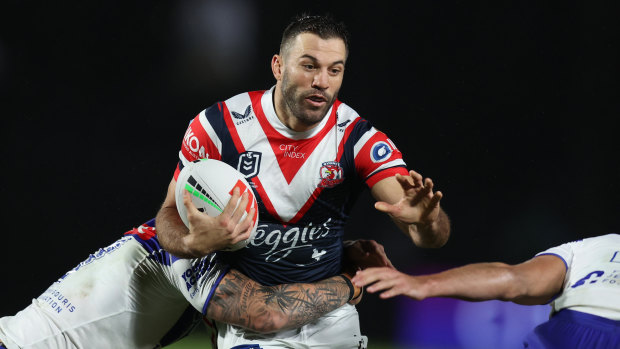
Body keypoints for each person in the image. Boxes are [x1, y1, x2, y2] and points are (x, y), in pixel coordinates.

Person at [154, 13, 450, 348]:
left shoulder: (358, 140)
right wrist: (193, 243)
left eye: (334, 70)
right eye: (309, 66)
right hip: (250, 324)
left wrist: (426, 222)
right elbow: (168, 217)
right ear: (278, 66)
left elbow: (429, 237)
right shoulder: (218, 127)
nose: (322, 81)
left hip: (331, 319)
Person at [0, 213, 389, 349]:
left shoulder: (178, 238)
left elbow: (267, 252)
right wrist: (349, 284)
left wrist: (340, 249)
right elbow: (263, 313)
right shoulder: (187, 255)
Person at [352, 234, 620, 348]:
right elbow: (515, 279)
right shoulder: (594, 248)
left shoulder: (597, 247)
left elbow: (515, 279)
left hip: (571, 333)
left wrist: (425, 284)